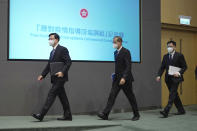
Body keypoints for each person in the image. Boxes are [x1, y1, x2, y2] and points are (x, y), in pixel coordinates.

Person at [97, 36, 140, 121]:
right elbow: (119, 67)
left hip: (125, 80)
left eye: (115, 42)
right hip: (117, 79)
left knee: (131, 97)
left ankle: (136, 114)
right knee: (112, 96)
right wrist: (115, 74)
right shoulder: (115, 53)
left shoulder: (126, 52)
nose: (113, 44)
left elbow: (128, 66)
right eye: (113, 42)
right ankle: (105, 114)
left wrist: (124, 77)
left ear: (120, 42)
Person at [32, 33, 72, 121]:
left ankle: (41, 115)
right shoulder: (52, 52)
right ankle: (68, 115)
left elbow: (68, 62)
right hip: (54, 77)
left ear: (56, 40)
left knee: (51, 94)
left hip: (61, 77)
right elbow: (49, 65)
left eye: (51, 38)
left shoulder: (63, 49)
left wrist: (62, 72)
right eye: (49, 39)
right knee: (63, 97)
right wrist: (43, 75)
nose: (49, 40)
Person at [156, 40, 187, 118]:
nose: (169, 48)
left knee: (172, 94)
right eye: (168, 46)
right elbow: (162, 67)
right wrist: (159, 75)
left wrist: (179, 73)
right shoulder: (165, 56)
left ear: (174, 47)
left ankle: (166, 110)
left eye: (170, 46)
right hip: (168, 79)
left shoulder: (179, 55)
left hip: (176, 78)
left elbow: (184, 67)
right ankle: (181, 110)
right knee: (174, 94)